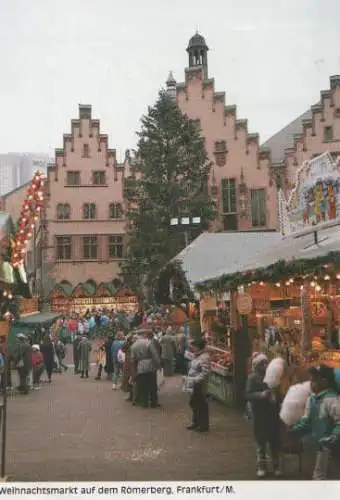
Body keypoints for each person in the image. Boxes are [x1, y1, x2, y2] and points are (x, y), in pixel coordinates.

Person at [291, 364, 340, 480]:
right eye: (311, 379)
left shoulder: (332, 400)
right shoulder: (311, 399)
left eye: (315, 380)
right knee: (315, 474)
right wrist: (294, 430)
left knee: (322, 475)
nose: (311, 383)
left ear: (325, 381)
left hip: (328, 446)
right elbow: (306, 420)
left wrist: (334, 436)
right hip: (314, 445)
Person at [246, 353, 281, 478]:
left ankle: (276, 466)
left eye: (266, 363)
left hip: (272, 413)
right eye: (262, 363)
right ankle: (262, 466)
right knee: (261, 442)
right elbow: (248, 394)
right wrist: (261, 395)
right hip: (260, 414)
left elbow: (280, 392)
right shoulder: (253, 378)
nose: (265, 365)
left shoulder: (274, 377)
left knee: (274, 442)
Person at [184, 338, 211, 433]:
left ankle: (203, 424)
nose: (192, 348)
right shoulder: (197, 356)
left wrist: (195, 380)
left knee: (200, 404)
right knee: (194, 402)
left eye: (194, 347)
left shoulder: (204, 357)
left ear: (198, 347)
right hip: (193, 383)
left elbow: (205, 372)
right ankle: (196, 422)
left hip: (199, 384)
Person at [130, 329, 161, 408]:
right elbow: (155, 355)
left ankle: (145, 403)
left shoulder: (133, 346)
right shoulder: (148, 343)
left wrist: (134, 370)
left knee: (143, 385)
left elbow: (133, 359)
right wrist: (158, 365)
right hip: (150, 365)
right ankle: (154, 402)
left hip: (140, 366)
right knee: (152, 385)